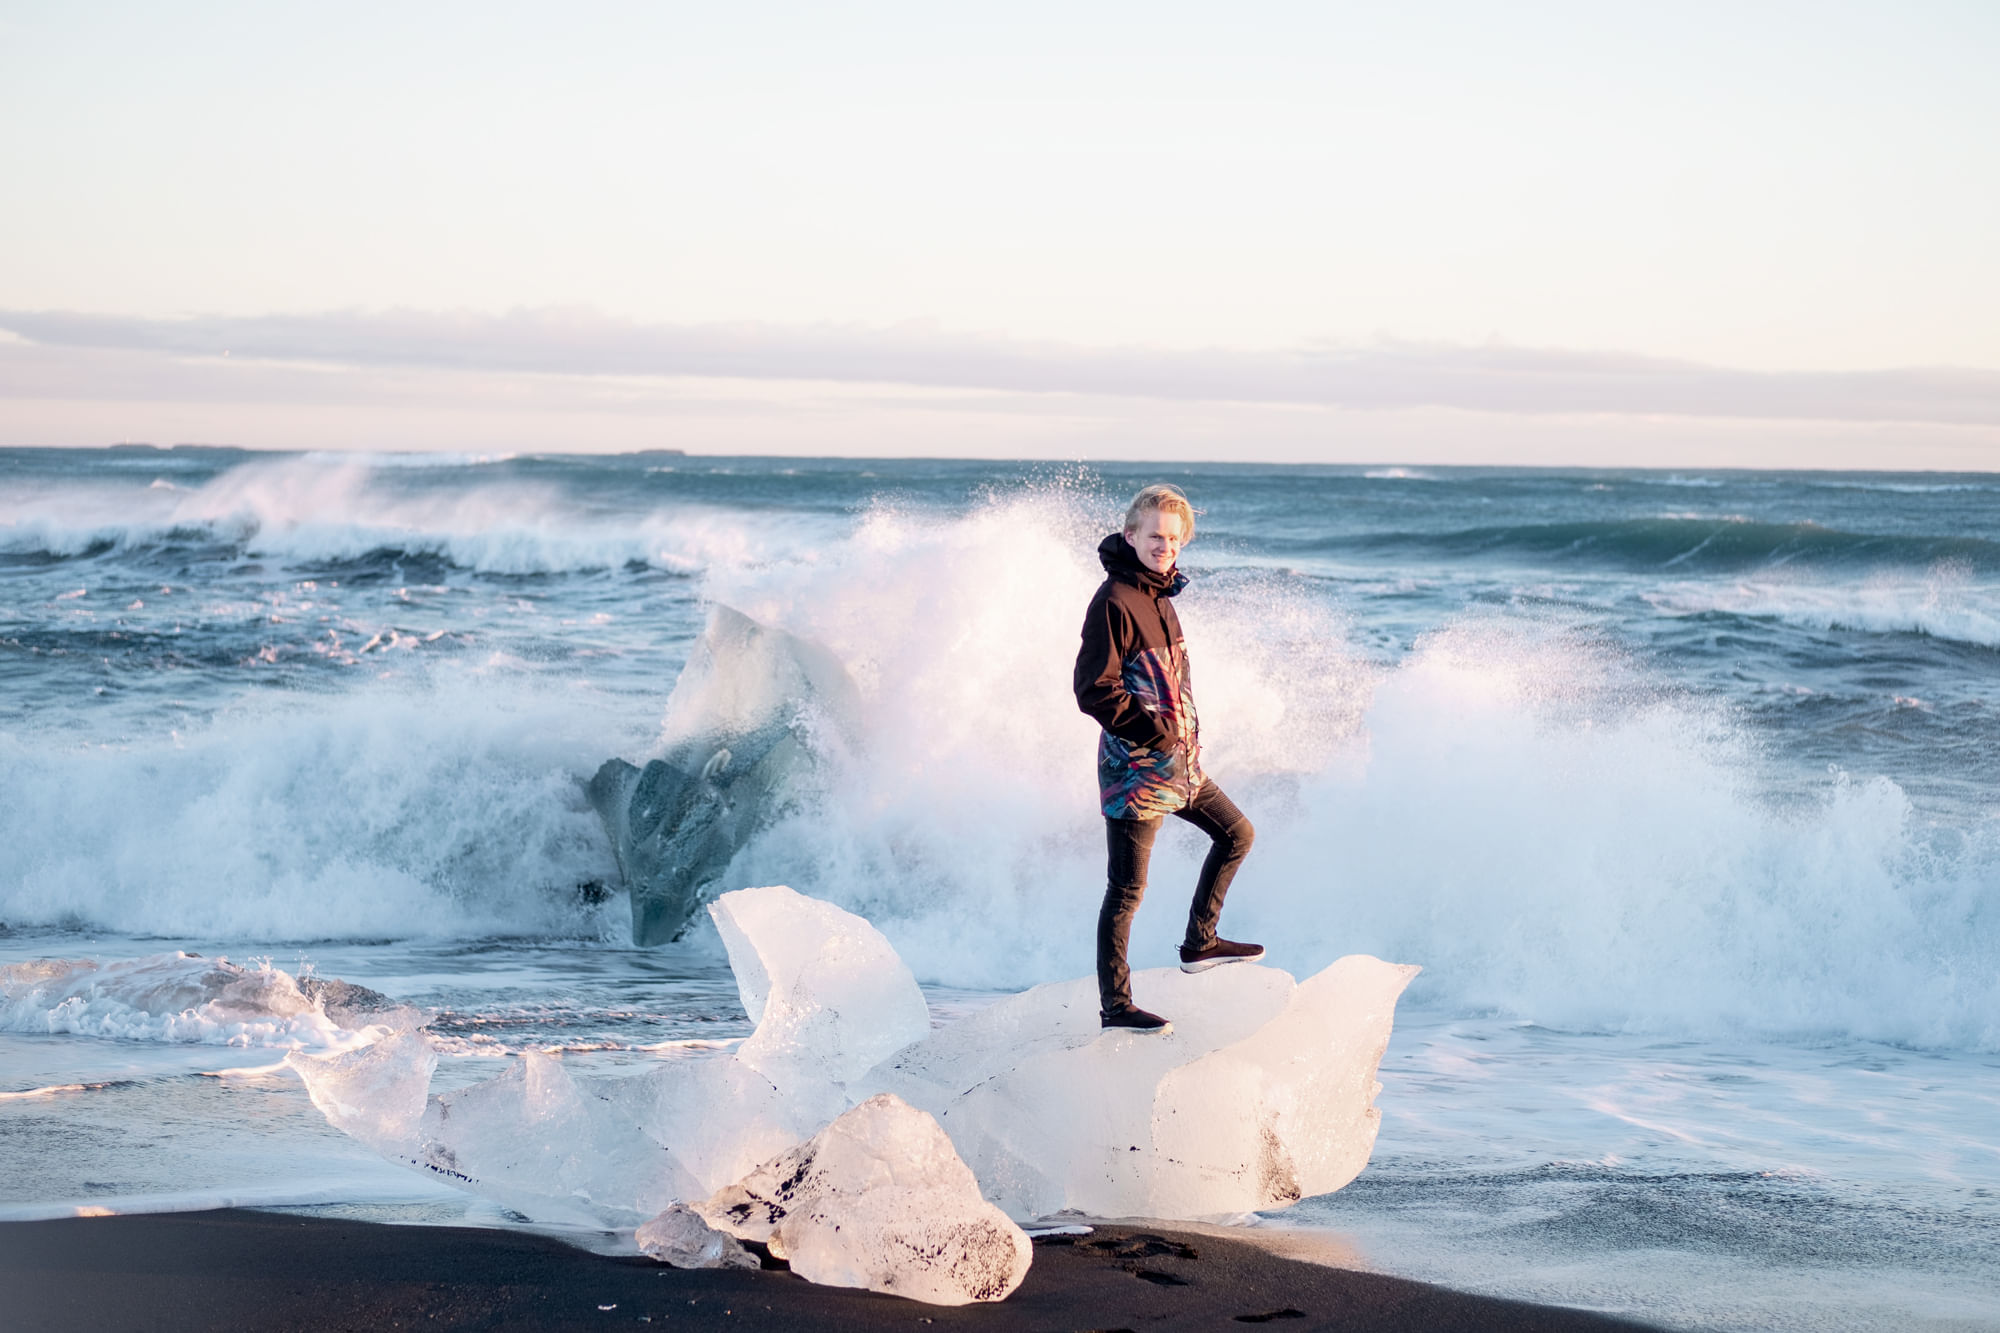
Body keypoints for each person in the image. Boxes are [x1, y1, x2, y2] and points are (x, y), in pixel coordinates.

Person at [1073, 484, 1263, 1034]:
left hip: (1180, 767)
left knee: (1237, 834)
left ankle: (1200, 941)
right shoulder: (1114, 601)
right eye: (1156, 535)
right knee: (1127, 890)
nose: (1166, 546)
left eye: (1175, 539)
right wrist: (1155, 734)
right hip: (1136, 771)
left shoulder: (1160, 598)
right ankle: (1116, 1006)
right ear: (1131, 535)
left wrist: (1181, 739)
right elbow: (1094, 688)